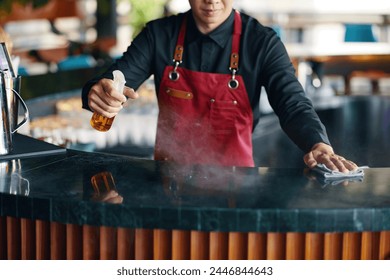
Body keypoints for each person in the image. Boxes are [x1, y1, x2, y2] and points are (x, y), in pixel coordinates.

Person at [82, 0, 357, 172]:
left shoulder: (261, 42)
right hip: (168, 182)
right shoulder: (158, 35)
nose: (212, 1)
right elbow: (116, 79)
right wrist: (97, 91)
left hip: (236, 184)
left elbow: (292, 102)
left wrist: (317, 142)